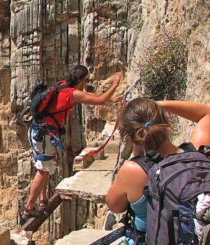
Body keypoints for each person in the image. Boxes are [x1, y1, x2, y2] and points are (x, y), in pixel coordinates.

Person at [21, 65, 122, 220]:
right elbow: (99, 100)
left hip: (38, 132)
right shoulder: (72, 93)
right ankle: (28, 208)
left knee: (44, 167)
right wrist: (115, 84)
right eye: (85, 80)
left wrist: (111, 99)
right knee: (43, 169)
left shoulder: (62, 85)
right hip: (45, 135)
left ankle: (43, 200)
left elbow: (88, 96)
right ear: (81, 80)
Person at [106, 98, 210, 244]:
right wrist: (157, 104)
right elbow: (206, 114)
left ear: (132, 139)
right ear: (166, 123)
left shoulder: (132, 170)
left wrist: (136, 155)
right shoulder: (197, 152)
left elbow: (114, 205)